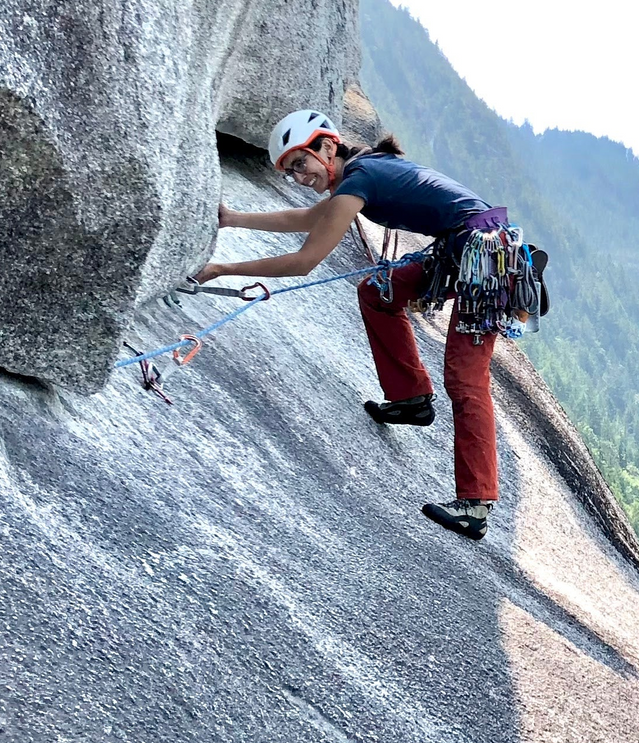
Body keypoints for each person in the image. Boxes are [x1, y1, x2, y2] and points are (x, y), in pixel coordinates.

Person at [195, 108, 540, 542]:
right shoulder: (362, 171)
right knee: (379, 292)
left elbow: (305, 261)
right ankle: (410, 399)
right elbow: (311, 218)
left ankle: (475, 504)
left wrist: (224, 268)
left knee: (465, 377)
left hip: (485, 258)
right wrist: (234, 219)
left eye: (300, 163)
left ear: (327, 146)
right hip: (469, 249)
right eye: (290, 172)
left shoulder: (360, 178)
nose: (298, 177)